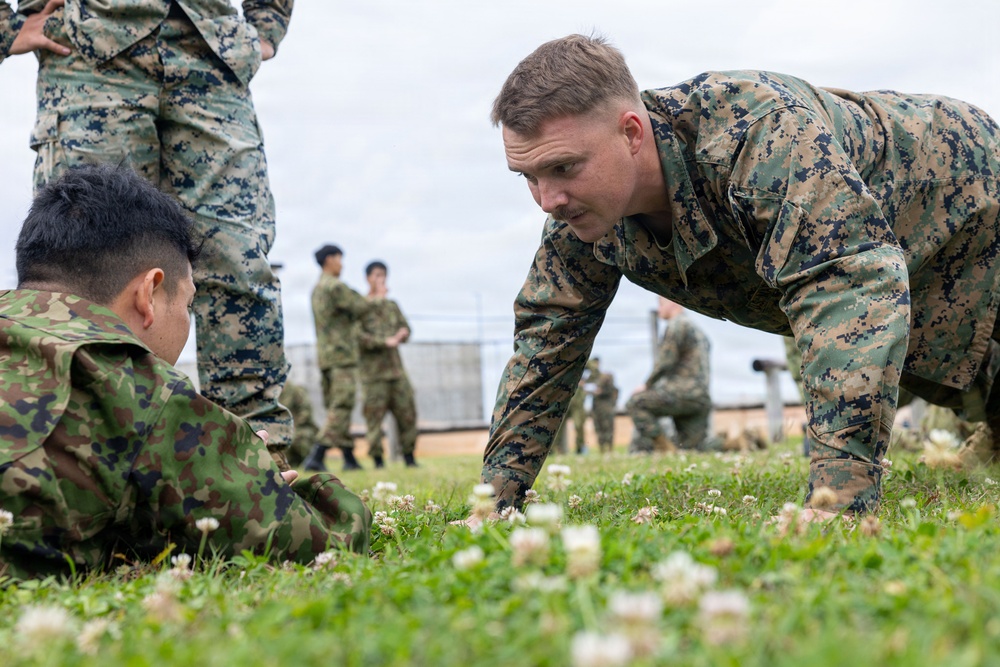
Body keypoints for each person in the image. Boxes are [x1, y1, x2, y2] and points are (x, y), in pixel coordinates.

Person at [477, 34, 1000, 519]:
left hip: (968, 180)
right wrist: (493, 501)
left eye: (564, 168)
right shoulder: (581, 219)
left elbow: (848, 287)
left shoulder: (756, 138)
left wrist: (837, 499)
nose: (548, 200)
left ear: (631, 133)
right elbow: (546, 342)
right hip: (889, 240)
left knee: (882, 328)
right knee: (930, 347)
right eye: (529, 177)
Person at [0, 164, 370, 580]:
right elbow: (319, 541)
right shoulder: (137, 389)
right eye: (188, 304)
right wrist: (254, 471)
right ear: (149, 292)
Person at [1, 0, 295, 465]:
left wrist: (266, 26)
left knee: (238, 261)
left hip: (210, 53)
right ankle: (80, 467)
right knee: (81, 258)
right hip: (90, 52)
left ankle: (256, 468)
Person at [306, 245, 369, 472]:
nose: (342, 264)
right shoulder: (335, 287)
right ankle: (317, 454)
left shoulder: (317, 288)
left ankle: (349, 458)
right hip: (342, 356)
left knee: (336, 406)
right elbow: (362, 306)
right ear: (329, 260)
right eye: (339, 259)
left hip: (327, 357)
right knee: (342, 406)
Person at [627, 298, 716, 453]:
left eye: (661, 304)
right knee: (695, 448)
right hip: (701, 399)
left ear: (674, 302)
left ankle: (665, 449)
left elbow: (665, 362)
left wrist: (646, 385)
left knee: (636, 403)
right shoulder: (699, 331)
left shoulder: (677, 325)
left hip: (681, 393)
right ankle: (737, 442)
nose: (658, 309)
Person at [358, 261, 419, 468]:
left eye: (383, 275)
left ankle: (409, 457)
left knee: (407, 414)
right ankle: (378, 461)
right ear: (368, 278)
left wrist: (402, 334)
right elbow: (357, 337)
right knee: (374, 420)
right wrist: (383, 342)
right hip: (374, 375)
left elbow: (407, 328)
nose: (380, 279)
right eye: (376, 275)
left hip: (396, 372)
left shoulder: (392, 306)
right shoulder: (361, 306)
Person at [278, 379, 320, 468]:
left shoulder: (295, 390)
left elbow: (305, 412)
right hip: (279, 431)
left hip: (299, 428)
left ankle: (311, 461)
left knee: (300, 437)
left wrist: (294, 426)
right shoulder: (269, 393)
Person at [587, 357, 618, 453]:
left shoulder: (606, 376)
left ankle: (609, 449)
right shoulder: (591, 378)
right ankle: (602, 450)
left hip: (606, 406)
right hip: (596, 407)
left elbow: (613, 390)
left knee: (607, 427)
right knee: (598, 427)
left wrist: (601, 392)